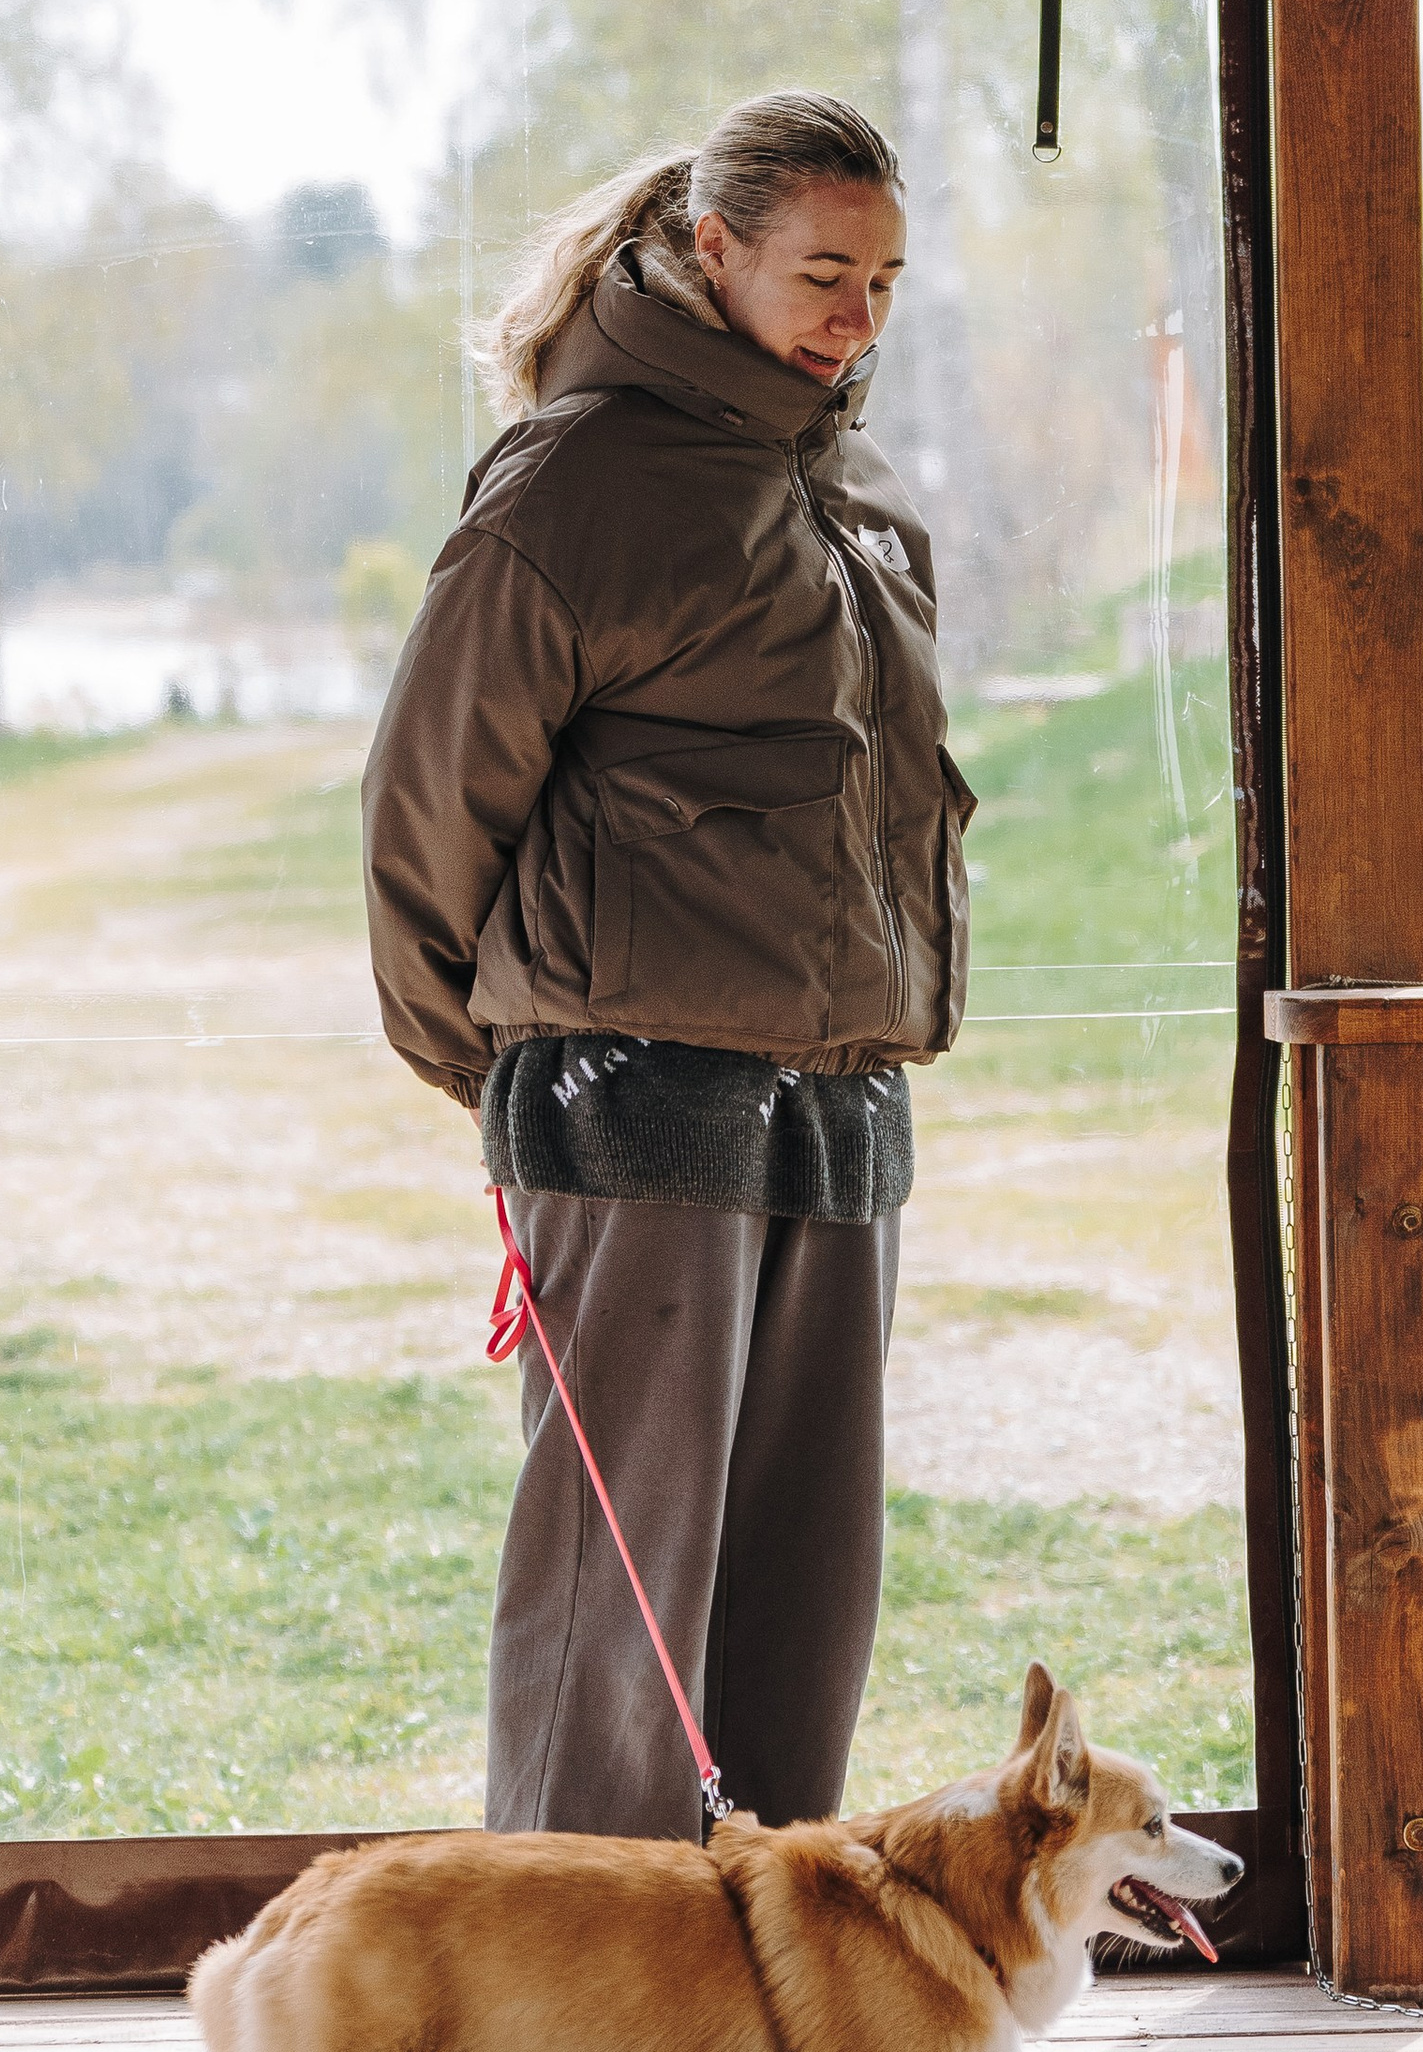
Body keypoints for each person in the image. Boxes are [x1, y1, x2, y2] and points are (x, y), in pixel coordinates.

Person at [362, 90, 972, 1838]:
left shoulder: (840, 477)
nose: (857, 317)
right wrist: (494, 1076)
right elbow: (425, 804)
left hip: (837, 1098)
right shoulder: (580, 477)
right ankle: (565, 1985)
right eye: (823, 273)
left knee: (802, 1579)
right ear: (715, 252)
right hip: (635, 1100)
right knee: (620, 1583)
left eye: (885, 280)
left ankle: (750, 1974)